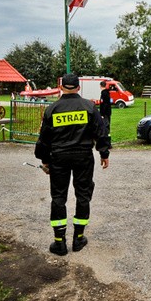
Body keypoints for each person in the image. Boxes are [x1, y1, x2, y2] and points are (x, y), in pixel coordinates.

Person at [34, 73, 110, 256]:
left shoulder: (52, 109)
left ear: (61, 88)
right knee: (83, 195)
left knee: (58, 197)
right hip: (83, 157)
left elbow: (44, 139)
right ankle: (78, 238)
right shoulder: (89, 107)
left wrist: (45, 160)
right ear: (78, 88)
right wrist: (104, 153)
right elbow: (101, 132)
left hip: (58, 158)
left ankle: (59, 243)